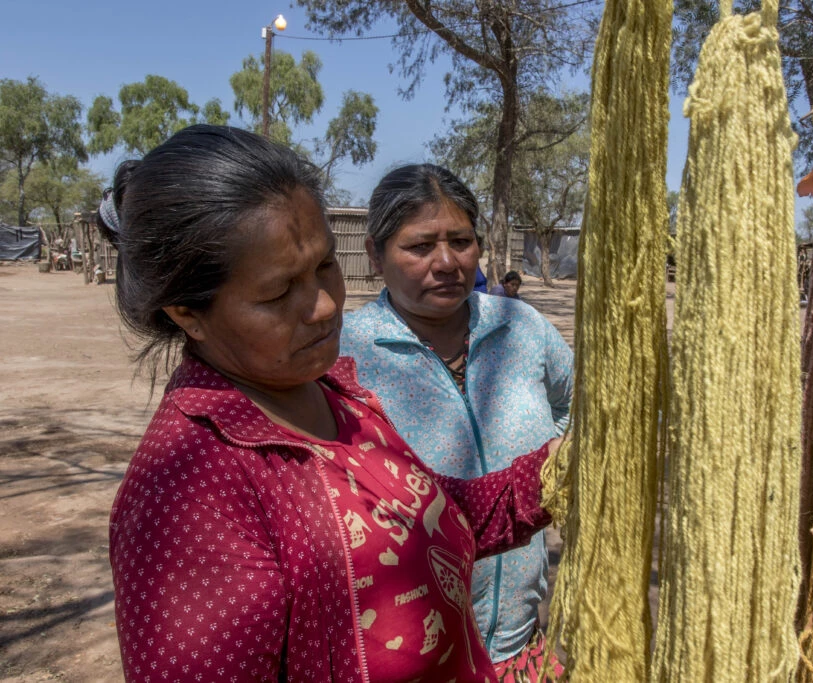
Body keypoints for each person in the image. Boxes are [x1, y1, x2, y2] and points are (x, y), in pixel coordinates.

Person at [102, 125, 560, 682]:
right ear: (187, 313)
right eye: (278, 292)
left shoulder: (338, 397)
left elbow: (436, 520)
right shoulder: (187, 497)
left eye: (324, 267)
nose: (323, 306)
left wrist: (555, 473)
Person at [339, 164, 573, 680]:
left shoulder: (520, 327)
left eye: (461, 242)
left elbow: (574, 402)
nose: (447, 262)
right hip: (411, 662)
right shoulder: (342, 353)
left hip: (521, 646)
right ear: (375, 255)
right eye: (420, 246)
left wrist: (559, 454)